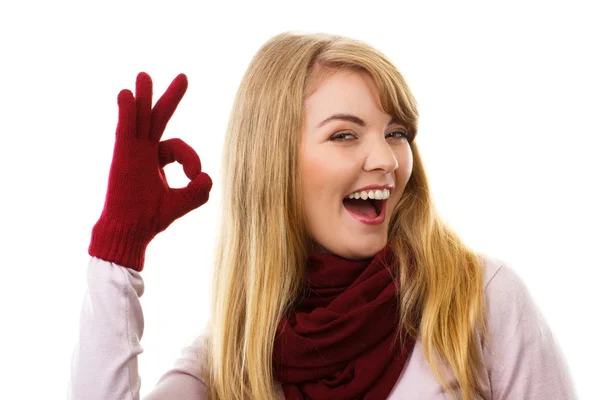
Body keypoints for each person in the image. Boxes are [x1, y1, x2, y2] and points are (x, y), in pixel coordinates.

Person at [68, 31, 577, 400]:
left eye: (396, 132)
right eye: (344, 134)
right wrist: (118, 247)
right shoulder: (229, 359)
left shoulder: (479, 300)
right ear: (275, 165)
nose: (387, 159)